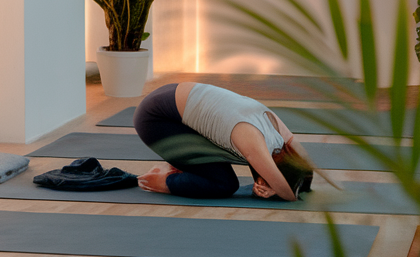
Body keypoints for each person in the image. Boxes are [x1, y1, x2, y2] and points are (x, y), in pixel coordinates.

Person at [133, 82, 315, 201]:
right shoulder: (253, 142)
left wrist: (300, 177)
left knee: (216, 161)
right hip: (155, 119)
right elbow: (289, 196)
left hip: (170, 94)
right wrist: (276, 190)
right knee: (223, 184)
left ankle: (185, 165)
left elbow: (305, 162)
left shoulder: (275, 129)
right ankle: (163, 181)